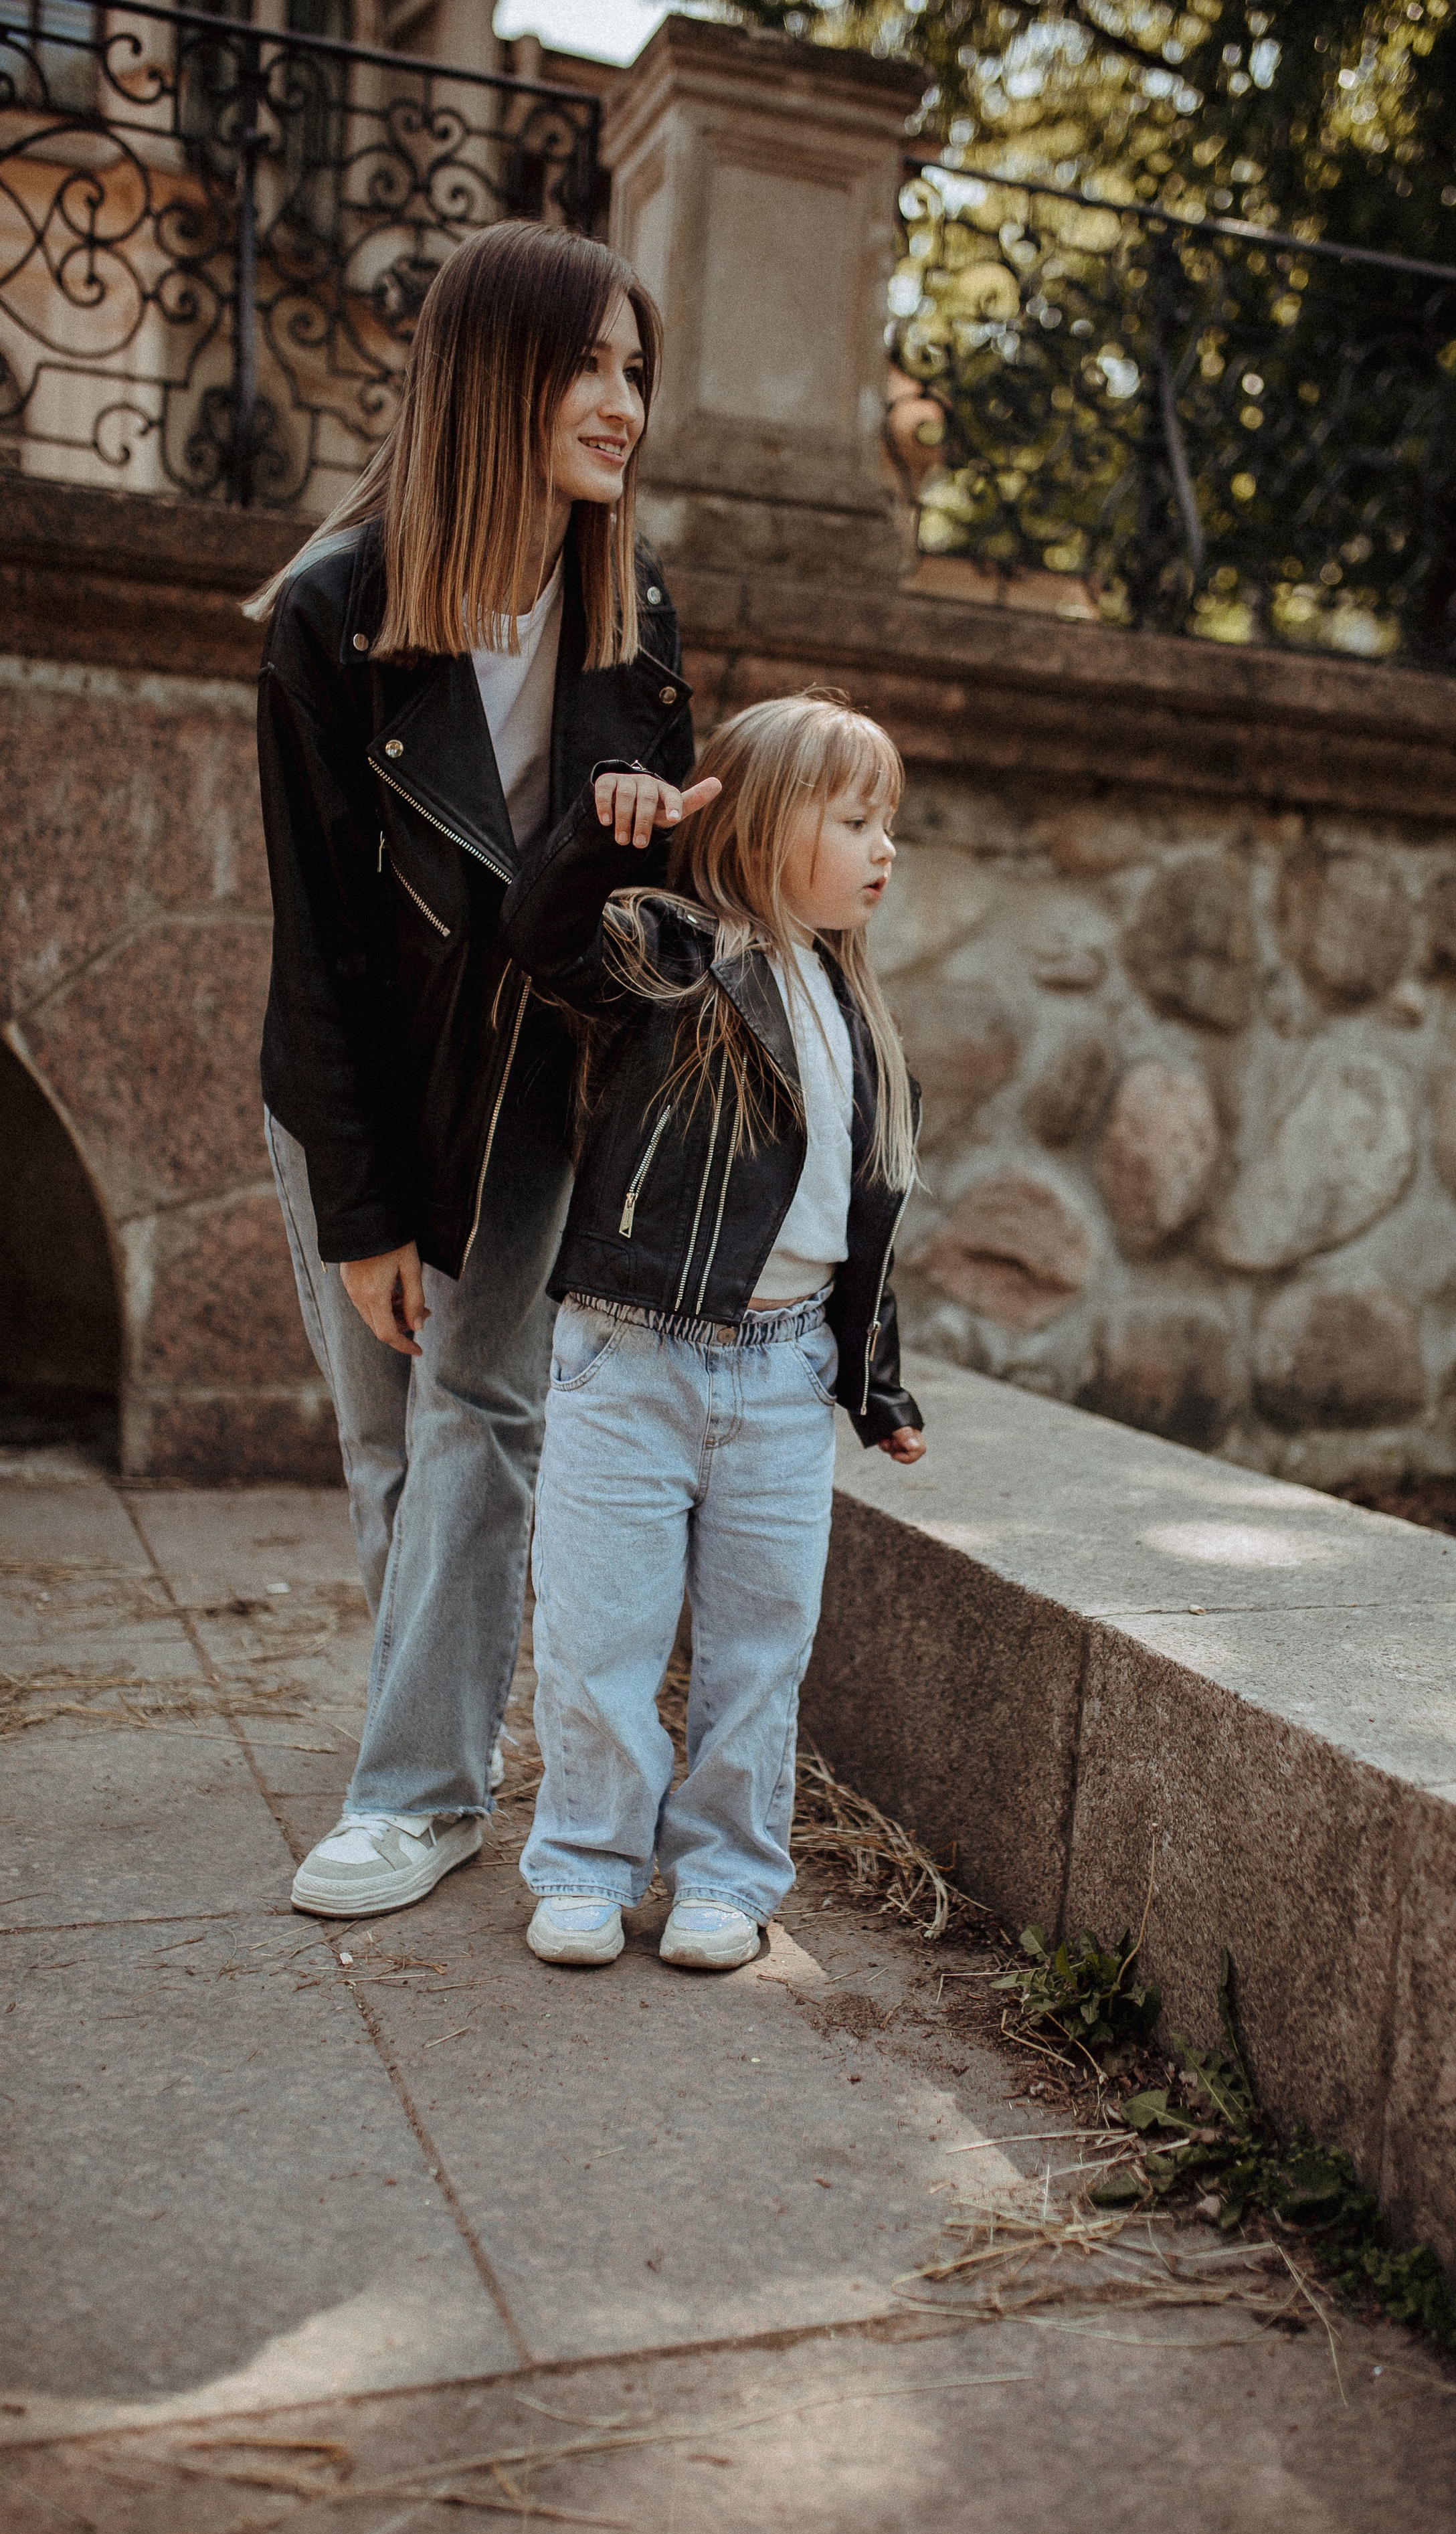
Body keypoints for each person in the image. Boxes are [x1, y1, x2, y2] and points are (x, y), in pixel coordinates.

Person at [248, 221, 716, 1920]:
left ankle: (419, 1788)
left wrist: (641, 851)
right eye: (589, 366)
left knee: (479, 1410)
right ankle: (421, 1722)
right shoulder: (330, 618)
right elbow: (318, 950)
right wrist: (365, 1210)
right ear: (495, 374)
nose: (622, 404)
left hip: (536, 1071)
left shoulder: (630, 608)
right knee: (384, 1433)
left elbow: (631, 928)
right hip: (357, 1085)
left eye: (635, 371)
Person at [496, 692, 925, 1971]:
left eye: (888, 822)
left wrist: (878, 1387)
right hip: (631, 1355)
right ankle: (584, 1859)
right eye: (855, 820)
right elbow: (543, 935)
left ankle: (729, 1874)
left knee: (759, 1647)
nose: (884, 847)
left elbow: (858, 1227)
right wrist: (601, 832)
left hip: (785, 1375)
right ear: (764, 825)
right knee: (600, 1633)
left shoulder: (859, 1014)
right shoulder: (674, 951)